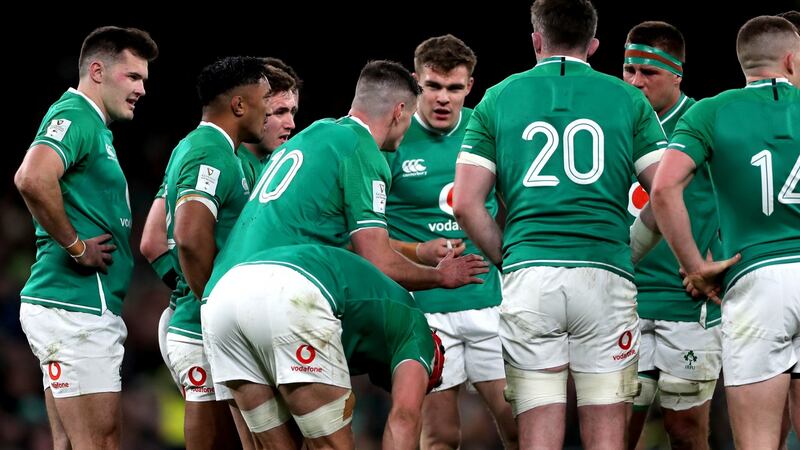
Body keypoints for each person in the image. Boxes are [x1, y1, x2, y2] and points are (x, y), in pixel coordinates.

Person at [452, 0, 669, 447]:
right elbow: (666, 191)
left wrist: (508, 258)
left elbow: (467, 203)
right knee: (608, 437)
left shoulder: (498, 96)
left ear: (536, 39)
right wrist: (632, 248)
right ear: (593, 44)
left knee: (537, 437)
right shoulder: (627, 97)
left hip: (531, 275)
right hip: (604, 273)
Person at [204, 59, 488, 298]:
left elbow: (346, 241)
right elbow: (377, 260)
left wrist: (416, 251)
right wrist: (439, 276)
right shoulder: (360, 150)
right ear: (399, 111)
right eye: (411, 115)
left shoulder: (314, 134)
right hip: (272, 290)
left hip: (222, 291)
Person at [650, 15, 800, 449]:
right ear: (791, 60)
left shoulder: (711, 111)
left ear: (744, 64)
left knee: (756, 441)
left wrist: (694, 267)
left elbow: (663, 189)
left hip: (755, 281)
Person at [14, 26, 157, 450]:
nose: (142, 89)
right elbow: (32, 178)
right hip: (74, 306)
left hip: (73, 306)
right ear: (97, 70)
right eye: (133, 77)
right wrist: (76, 247)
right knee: (99, 443)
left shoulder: (94, 127)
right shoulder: (75, 115)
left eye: (144, 80)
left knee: (72, 444)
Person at [384, 34, 517, 449]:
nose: (443, 98)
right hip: (424, 309)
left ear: (470, 86)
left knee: (520, 428)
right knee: (440, 436)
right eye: (433, 87)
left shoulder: (487, 130)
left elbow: (511, 203)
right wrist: (417, 252)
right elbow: (365, 230)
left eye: (454, 88)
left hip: (487, 302)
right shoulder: (391, 137)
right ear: (415, 83)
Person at [202, 244, 445, 449]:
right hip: (291, 293)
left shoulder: (374, 327)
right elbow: (404, 417)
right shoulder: (418, 332)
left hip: (223, 296)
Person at [161, 56, 272, 450]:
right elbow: (189, 235)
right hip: (201, 327)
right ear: (239, 105)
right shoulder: (208, 150)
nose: (269, 109)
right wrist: (212, 300)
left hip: (218, 324)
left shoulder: (232, 154)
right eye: (265, 98)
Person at [621, 21, 722, 450]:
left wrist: (715, 261)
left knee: (686, 433)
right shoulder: (612, 122)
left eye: (649, 73)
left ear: (677, 73)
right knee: (614, 433)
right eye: (629, 70)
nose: (636, 82)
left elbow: (739, 200)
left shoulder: (701, 124)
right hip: (622, 302)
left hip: (687, 303)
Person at [239, 59, 301, 185]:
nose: (291, 124)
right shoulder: (221, 160)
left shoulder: (280, 165)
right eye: (280, 112)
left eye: (293, 112)